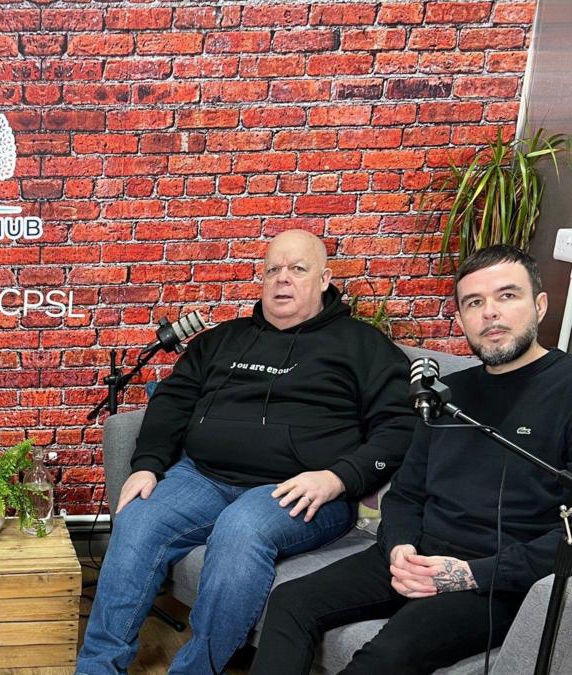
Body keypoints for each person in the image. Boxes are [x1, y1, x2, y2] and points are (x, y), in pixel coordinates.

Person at [77, 230, 418, 674]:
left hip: (300, 489)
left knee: (242, 528)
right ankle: (97, 667)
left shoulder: (364, 347)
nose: (283, 279)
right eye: (273, 269)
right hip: (202, 477)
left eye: (297, 269)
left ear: (324, 279)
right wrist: (147, 465)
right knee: (140, 516)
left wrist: (338, 478)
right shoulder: (224, 339)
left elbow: (399, 425)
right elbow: (173, 401)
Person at [251, 245, 572, 674]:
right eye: (474, 303)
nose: (490, 313)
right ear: (460, 319)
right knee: (291, 601)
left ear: (539, 304)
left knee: (385, 657)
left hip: (494, 582)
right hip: (415, 555)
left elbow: (566, 540)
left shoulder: (566, 389)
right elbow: (404, 494)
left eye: (506, 296)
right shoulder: (446, 394)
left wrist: (466, 574)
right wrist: (400, 546)